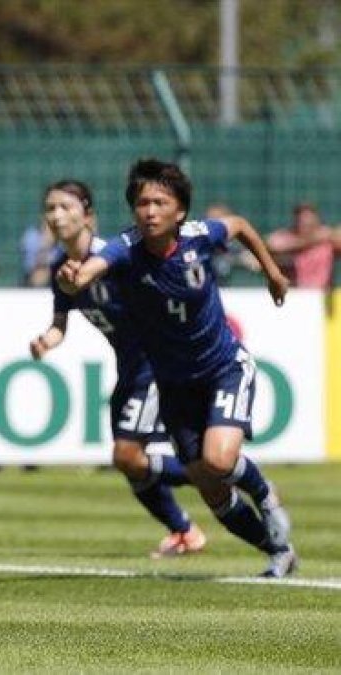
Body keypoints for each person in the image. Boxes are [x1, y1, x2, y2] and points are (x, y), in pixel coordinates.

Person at [58, 158, 297, 577]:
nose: (149, 211)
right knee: (213, 492)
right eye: (142, 203)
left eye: (159, 202)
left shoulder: (199, 236)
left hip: (224, 367)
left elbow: (238, 225)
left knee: (219, 462)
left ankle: (266, 494)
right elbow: (92, 269)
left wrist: (273, 273)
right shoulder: (127, 249)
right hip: (173, 384)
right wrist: (73, 278)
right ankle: (278, 551)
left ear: (180, 211)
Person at [28, 180, 204, 558]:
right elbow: (61, 324)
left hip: (155, 364)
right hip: (129, 369)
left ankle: (221, 473)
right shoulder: (62, 268)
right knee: (129, 462)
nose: (56, 216)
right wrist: (46, 341)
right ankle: (186, 529)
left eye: (65, 207)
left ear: (87, 214)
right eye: (50, 208)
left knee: (127, 455)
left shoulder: (115, 257)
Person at [266, 202, 341, 290]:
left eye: (309, 221)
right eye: (302, 221)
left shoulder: (328, 239)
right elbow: (271, 246)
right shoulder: (286, 237)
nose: (305, 224)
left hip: (322, 294)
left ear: (316, 220)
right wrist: (314, 240)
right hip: (294, 294)